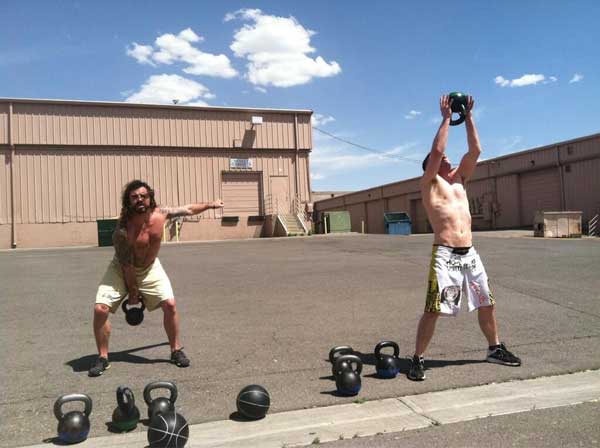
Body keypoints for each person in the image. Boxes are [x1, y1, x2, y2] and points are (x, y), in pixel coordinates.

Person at [407, 95, 521, 381]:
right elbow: (436, 152)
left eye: (447, 159)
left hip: (469, 253)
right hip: (445, 255)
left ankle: (494, 349)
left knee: (487, 302)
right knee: (435, 309)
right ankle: (417, 359)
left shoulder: (459, 182)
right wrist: (446, 117)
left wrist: (467, 116)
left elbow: (475, 150)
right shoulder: (429, 185)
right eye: (443, 160)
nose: (448, 159)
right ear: (430, 168)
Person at [89, 179, 224, 377]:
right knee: (100, 309)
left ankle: (176, 350)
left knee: (170, 304)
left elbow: (188, 209)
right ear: (128, 201)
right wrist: (133, 294)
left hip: (150, 268)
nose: (139, 200)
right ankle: (102, 357)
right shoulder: (122, 230)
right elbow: (127, 266)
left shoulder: (161, 214)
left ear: (150, 198)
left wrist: (210, 204)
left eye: (143, 196)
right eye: (134, 197)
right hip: (122, 268)